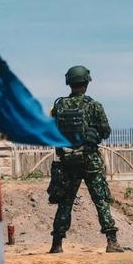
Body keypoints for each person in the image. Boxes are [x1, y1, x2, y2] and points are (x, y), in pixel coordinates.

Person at [48, 65, 123, 253]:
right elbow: (106, 131)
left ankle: (57, 244)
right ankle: (111, 242)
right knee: (100, 200)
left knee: (65, 202)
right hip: (90, 160)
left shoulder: (59, 106)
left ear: (69, 82)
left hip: (67, 160)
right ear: (86, 83)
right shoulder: (94, 105)